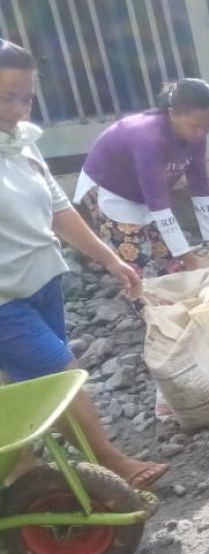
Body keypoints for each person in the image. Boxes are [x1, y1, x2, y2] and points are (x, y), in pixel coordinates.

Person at [0, 40, 168, 489]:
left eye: (26, 97)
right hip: (4, 302)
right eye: (6, 98)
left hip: (42, 283)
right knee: (57, 373)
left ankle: (19, 475)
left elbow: (60, 210)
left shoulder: (21, 146)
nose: (18, 109)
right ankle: (109, 460)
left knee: (25, 388)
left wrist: (112, 260)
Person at [75, 78, 209, 277]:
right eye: (194, 125)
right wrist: (189, 258)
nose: (201, 132)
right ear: (172, 114)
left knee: (172, 264)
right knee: (138, 269)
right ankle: (142, 304)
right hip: (110, 191)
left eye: (208, 125)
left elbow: (200, 185)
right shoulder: (148, 139)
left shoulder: (195, 135)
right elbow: (158, 202)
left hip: (143, 194)